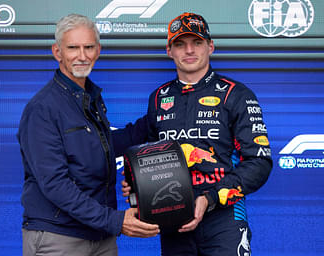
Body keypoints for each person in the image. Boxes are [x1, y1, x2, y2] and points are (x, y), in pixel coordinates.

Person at [121, 12, 273, 256]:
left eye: (197, 42)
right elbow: (150, 160)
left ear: (210, 46)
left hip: (224, 217)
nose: (189, 50)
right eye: (180, 44)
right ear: (169, 51)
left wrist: (209, 198)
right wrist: (138, 185)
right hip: (174, 221)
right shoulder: (159, 98)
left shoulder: (236, 94)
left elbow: (259, 162)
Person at [17, 14, 159, 256]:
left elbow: (98, 147)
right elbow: (55, 184)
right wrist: (115, 221)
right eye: (73, 48)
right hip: (60, 236)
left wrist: (157, 119)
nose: (82, 55)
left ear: (98, 50)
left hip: (99, 235)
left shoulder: (89, 98)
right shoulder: (43, 108)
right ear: (57, 51)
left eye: (88, 47)